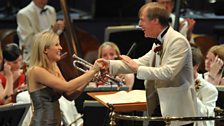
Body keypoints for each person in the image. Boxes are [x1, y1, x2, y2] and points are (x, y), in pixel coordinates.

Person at [97, 2, 198, 126]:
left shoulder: (177, 41)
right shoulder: (158, 42)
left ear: (155, 20)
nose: (139, 25)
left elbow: (168, 72)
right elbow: (139, 62)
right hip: (160, 106)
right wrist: (109, 65)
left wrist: (137, 68)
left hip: (177, 111)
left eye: (142, 20)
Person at [26, 31, 100, 125]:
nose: (60, 48)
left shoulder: (54, 67)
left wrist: (89, 77)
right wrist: (92, 71)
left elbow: (69, 95)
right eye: (56, 45)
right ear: (45, 49)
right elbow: (67, 86)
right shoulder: (36, 71)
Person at [191, 45, 218, 126]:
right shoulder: (171, 85)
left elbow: (207, 122)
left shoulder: (209, 89)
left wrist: (189, 91)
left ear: (196, 67)